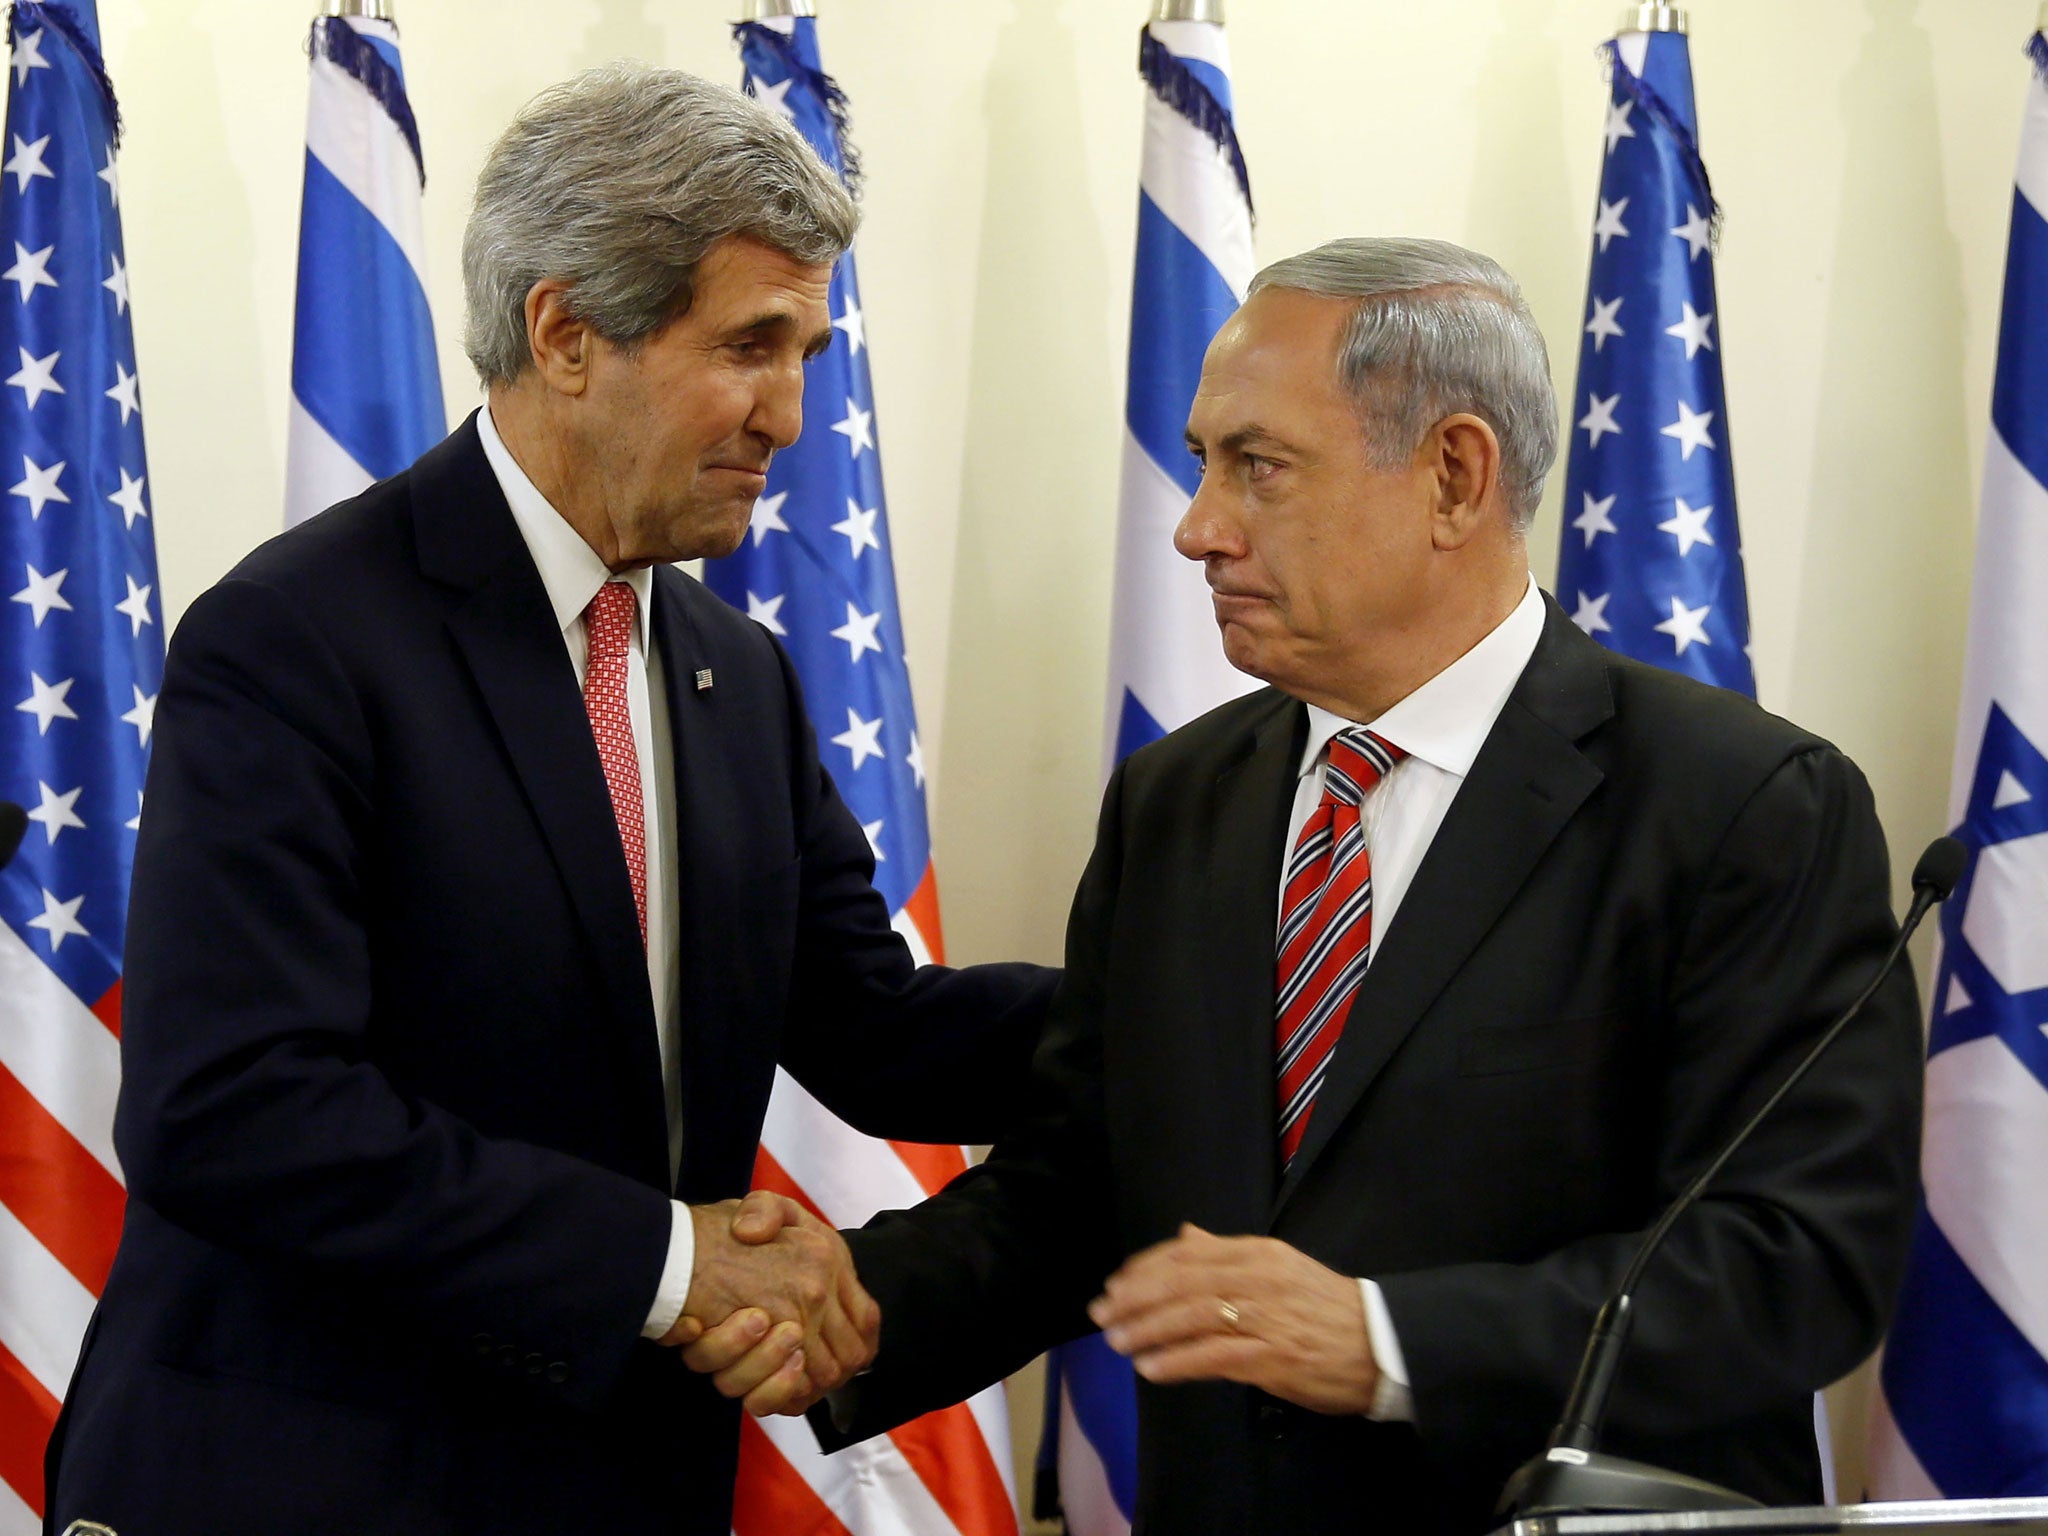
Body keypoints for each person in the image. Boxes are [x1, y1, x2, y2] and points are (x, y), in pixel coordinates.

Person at [697, 238, 1924, 1532]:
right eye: (1202, 461)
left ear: (1454, 476)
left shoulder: (1735, 807)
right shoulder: (1181, 801)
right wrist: (852, 1305)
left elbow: (1797, 1264)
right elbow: (1085, 1187)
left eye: (1259, 467)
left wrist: (1388, 1339)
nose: (1196, 527)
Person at [44, 65, 1054, 1536]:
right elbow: (232, 1108)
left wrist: (1219, 993)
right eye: (750, 346)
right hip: (318, 1483)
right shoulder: (301, 638)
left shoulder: (734, 676)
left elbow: (872, 1027)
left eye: (807, 349)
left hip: (614, 1484)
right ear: (569, 334)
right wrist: (669, 1264)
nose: (790, 410)